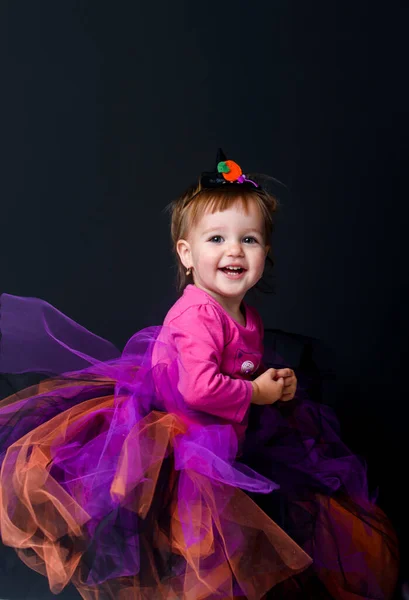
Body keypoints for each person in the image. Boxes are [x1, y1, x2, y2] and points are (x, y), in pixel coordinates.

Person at [0, 150, 399, 599]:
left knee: (258, 529)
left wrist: (273, 383)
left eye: (249, 239)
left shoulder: (246, 314)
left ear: (266, 252)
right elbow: (198, 386)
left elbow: (238, 366)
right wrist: (257, 393)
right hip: (185, 448)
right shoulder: (196, 315)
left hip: (227, 436)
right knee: (201, 549)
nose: (234, 250)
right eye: (216, 239)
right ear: (187, 255)